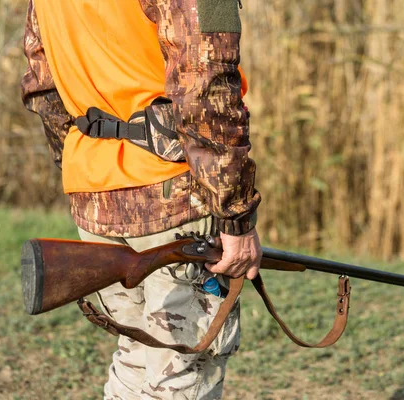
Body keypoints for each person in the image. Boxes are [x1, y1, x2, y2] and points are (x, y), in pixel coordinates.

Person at [21, 0, 262, 398]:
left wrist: (84, 168)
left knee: (138, 357)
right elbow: (207, 84)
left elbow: (41, 82)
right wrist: (235, 214)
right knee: (182, 373)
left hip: (93, 188)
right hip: (176, 192)